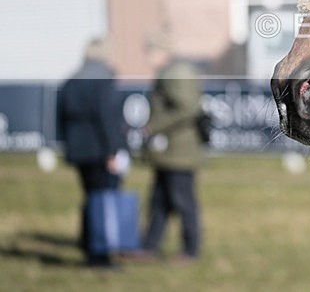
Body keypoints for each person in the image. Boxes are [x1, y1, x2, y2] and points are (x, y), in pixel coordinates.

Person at [57, 37, 127, 268]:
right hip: (99, 151)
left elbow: (61, 116)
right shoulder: (103, 78)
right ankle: (99, 255)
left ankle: (87, 244)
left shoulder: (72, 80)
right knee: (102, 202)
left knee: (90, 198)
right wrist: (112, 151)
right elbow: (107, 117)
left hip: (79, 151)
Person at [138, 29, 204, 262]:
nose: (147, 57)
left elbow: (188, 107)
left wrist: (154, 126)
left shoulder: (177, 72)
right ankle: (149, 246)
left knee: (183, 201)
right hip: (169, 152)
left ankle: (191, 250)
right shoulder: (170, 71)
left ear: (162, 51)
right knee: (159, 201)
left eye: (150, 51)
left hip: (179, 152)